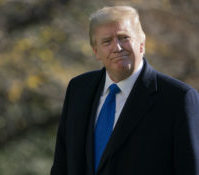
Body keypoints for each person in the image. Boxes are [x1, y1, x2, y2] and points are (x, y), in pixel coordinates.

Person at [50, 5, 199, 175]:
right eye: (107, 41)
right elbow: (61, 166)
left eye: (124, 38)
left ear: (141, 44)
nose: (117, 48)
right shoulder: (78, 90)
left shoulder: (179, 99)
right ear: (96, 51)